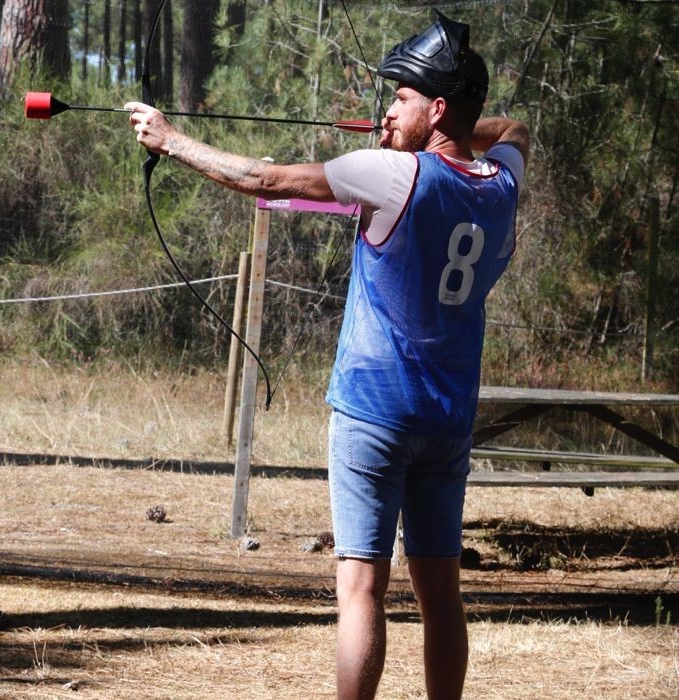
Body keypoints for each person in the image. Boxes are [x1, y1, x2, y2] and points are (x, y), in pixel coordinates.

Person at [127, 10, 529, 699]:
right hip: (447, 419)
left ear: (436, 107)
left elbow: (265, 180)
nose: (388, 110)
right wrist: (455, 131)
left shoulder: (394, 174)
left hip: (374, 414)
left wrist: (170, 141)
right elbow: (515, 129)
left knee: (361, 589)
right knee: (441, 593)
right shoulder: (503, 184)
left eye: (402, 98)